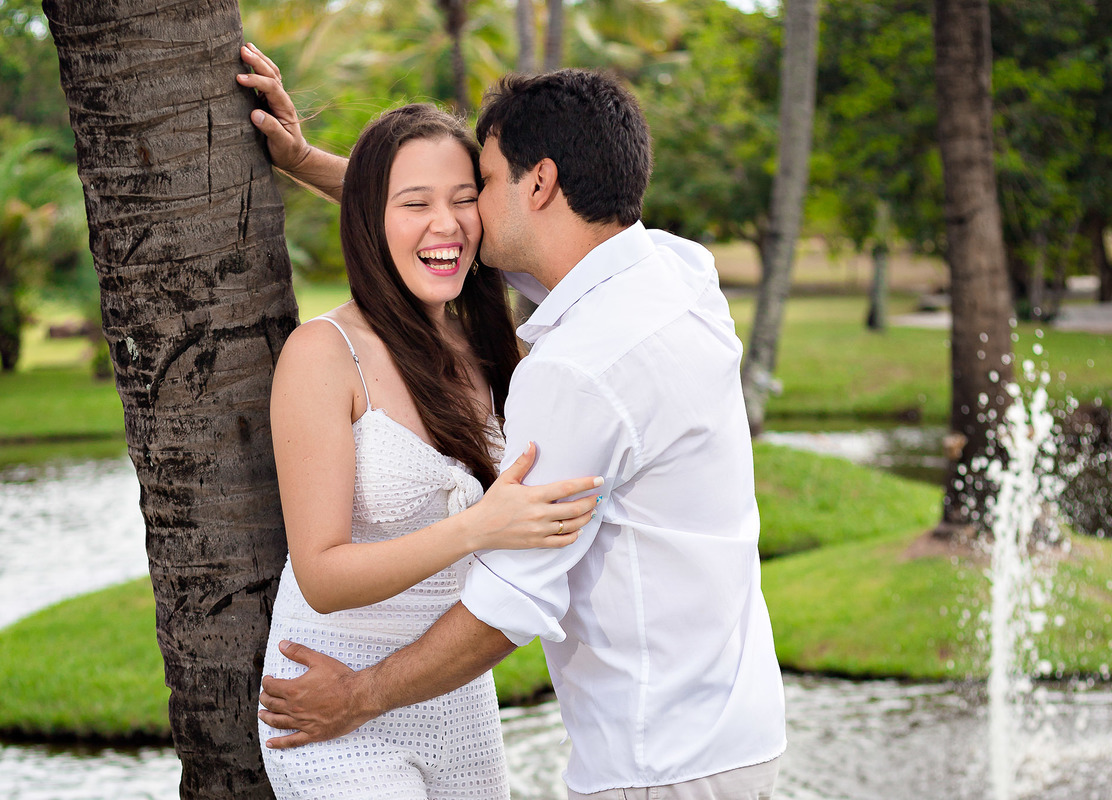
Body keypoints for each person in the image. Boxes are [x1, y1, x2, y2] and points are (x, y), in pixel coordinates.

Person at [240, 44, 787, 800]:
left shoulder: (566, 366)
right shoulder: (676, 269)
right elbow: (436, 231)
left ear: (541, 183)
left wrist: (361, 695)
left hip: (644, 752)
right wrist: (307, 161)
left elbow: (511, 605)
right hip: (727, 725)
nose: (459, 219)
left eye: (477, 188)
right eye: (424, 200)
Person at [256, 96, 604, 800]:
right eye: (413, 203)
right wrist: (478, 527)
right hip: (329, 705)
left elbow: (436, 219)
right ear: (371, 218)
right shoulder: (324, 354)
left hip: (457, 701)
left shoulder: (485, 332)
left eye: (465, 199)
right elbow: (322, 577)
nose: (445, 223)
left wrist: (305, 160)